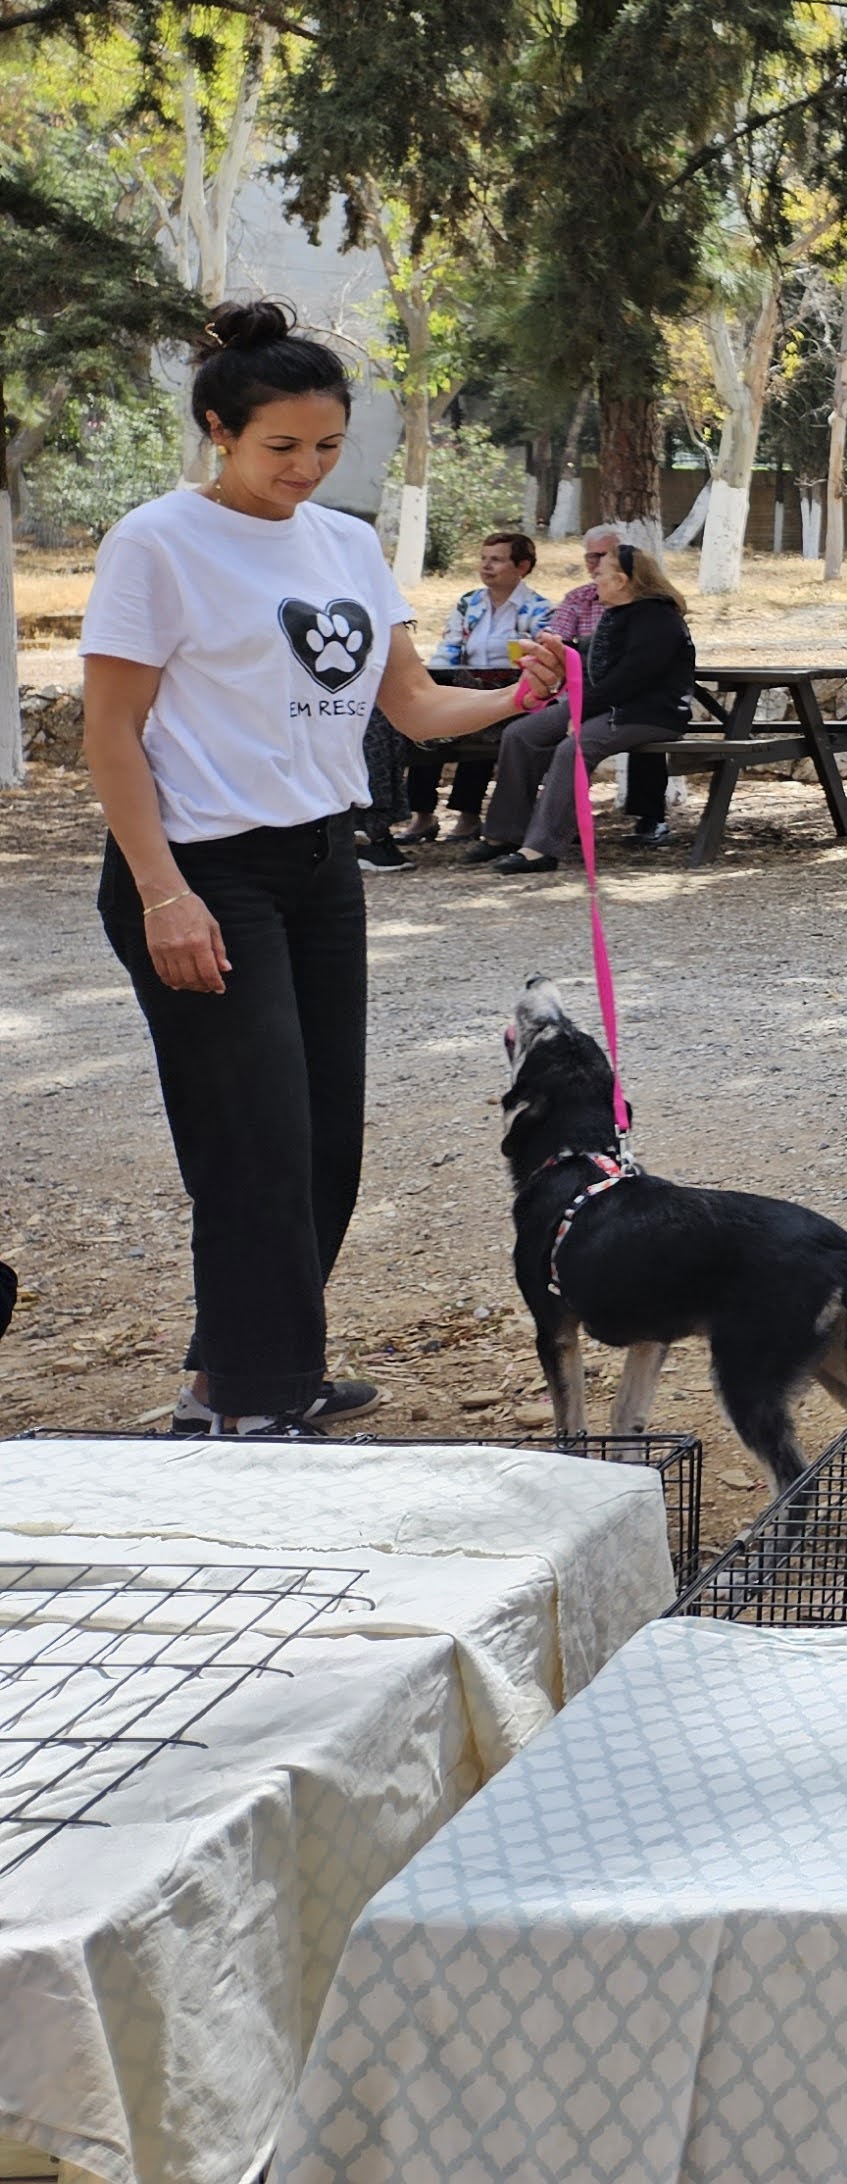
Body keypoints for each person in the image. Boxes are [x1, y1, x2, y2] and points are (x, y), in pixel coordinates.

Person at [84, 303, 536, 1436]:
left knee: (325, 1138)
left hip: (321, 864)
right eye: (281, 446)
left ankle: (236, 1376)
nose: (306, 468)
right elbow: (111, 732)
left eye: (327, 447)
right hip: (199, 870)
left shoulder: (342, 542)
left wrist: (525, 697)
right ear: (217, 429)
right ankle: (255, 1400)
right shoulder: (156, 542)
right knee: (254, 1144)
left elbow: (416, 705)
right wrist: (162, 893)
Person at [477, 540, 699, 874]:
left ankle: (541, 849)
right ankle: (505, 834)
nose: (594, 579)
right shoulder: (618, 614)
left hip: (649, 713)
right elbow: (592, 668)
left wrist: (581, 714)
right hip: (609, 706)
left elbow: (631, 679)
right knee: (522, 733)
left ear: (622, 581)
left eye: (601, 573)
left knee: (575, 748)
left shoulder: (658, 618)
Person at [398, 532, 555, 842]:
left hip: (512, 691)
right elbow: (451, 645)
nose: (486, 566)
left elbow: (539, 658)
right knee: (428, 719)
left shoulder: (538, 609)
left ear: (522, 566)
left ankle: (468, 816)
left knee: (485, 715)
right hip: (464, 683)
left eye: (496, 560)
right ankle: (422, 814)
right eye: (483, 559)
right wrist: (437, 677)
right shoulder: (469, 602)